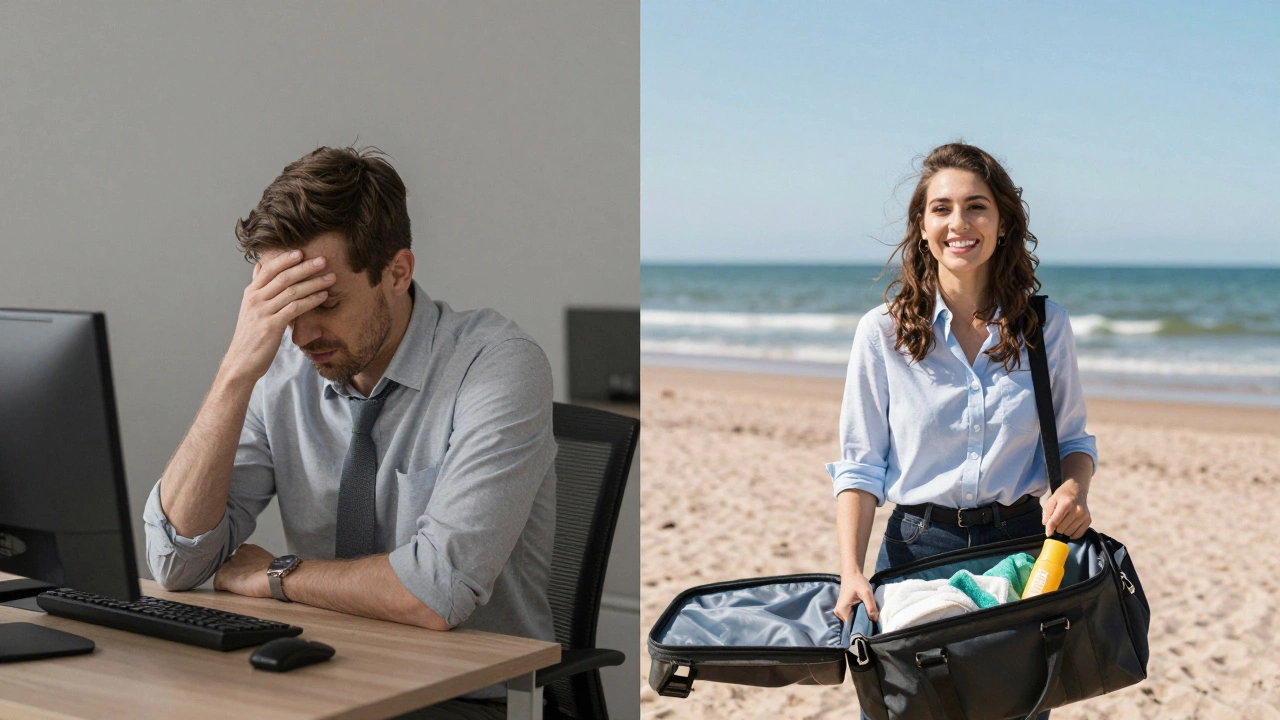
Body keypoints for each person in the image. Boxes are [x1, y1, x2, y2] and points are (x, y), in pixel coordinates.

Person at [143, 146, 555, 719]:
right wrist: (235, 371)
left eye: (326, 302)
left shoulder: (497, 367)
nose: (301, 334)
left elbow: (435, 591)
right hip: (321, 681)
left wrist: (277, 575)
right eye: (286, 307)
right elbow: (176, 561)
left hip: (468, 700)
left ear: (397, 272)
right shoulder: (278, 371)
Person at [827, 143, 1097, 720]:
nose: (959, 223)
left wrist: (1073, 490)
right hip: (916, 551)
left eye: (976, 206)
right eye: (941, 208)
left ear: (1003, 222)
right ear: (922, 227)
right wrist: (851, 570)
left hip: (1020, 551)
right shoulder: (881, 334)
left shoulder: (1045, 326)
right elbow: (860, 467)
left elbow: (1073, 442)